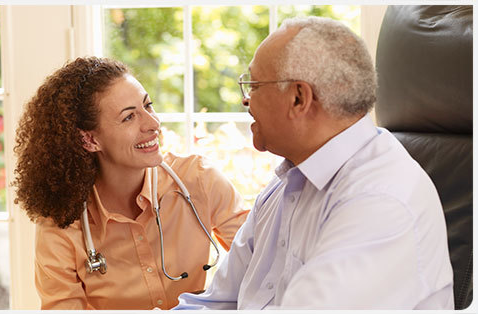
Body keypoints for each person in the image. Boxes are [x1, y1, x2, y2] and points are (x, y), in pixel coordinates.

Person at [174, 16, 454, 310]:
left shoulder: (381, 199)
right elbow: (216, 304)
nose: (245, 100)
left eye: (253, 85)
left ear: (298, 98)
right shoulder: (282, 187)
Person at [12, 56, 249, 310]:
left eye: (148, 106)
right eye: (129, 117)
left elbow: (262, 263)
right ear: (89, 140)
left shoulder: (200, 179)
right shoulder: (61, 221)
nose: (153, 124)